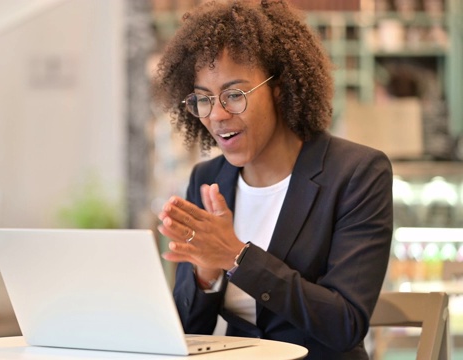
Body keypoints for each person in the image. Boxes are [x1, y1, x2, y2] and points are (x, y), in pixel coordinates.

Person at [152, 1, 393, 359]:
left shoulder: (357, 173)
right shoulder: (208, 179)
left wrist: (235, 256)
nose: (217, 115)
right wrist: (205, 276)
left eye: (234, 95)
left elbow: (345, 324)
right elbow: (188, 333)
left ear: (280, 87)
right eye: (203, 99)